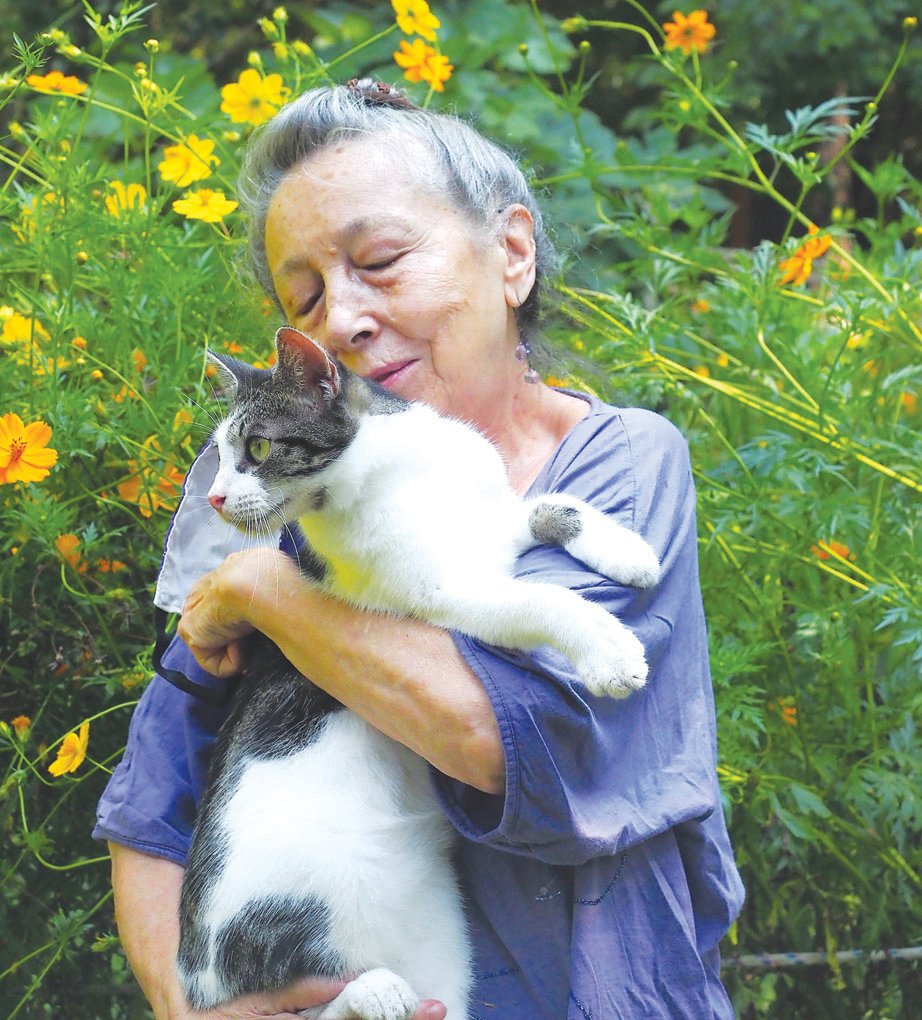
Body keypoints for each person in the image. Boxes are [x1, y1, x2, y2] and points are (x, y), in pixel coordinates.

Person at [94, 79, 744, 1019]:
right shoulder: (279, 487)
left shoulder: (623, 462)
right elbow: (153, 795)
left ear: (511, 253)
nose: (342, 319)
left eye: (382, 261)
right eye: (306, 296)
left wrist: (268, 589)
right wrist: (187, 1005)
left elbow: (494, 735)